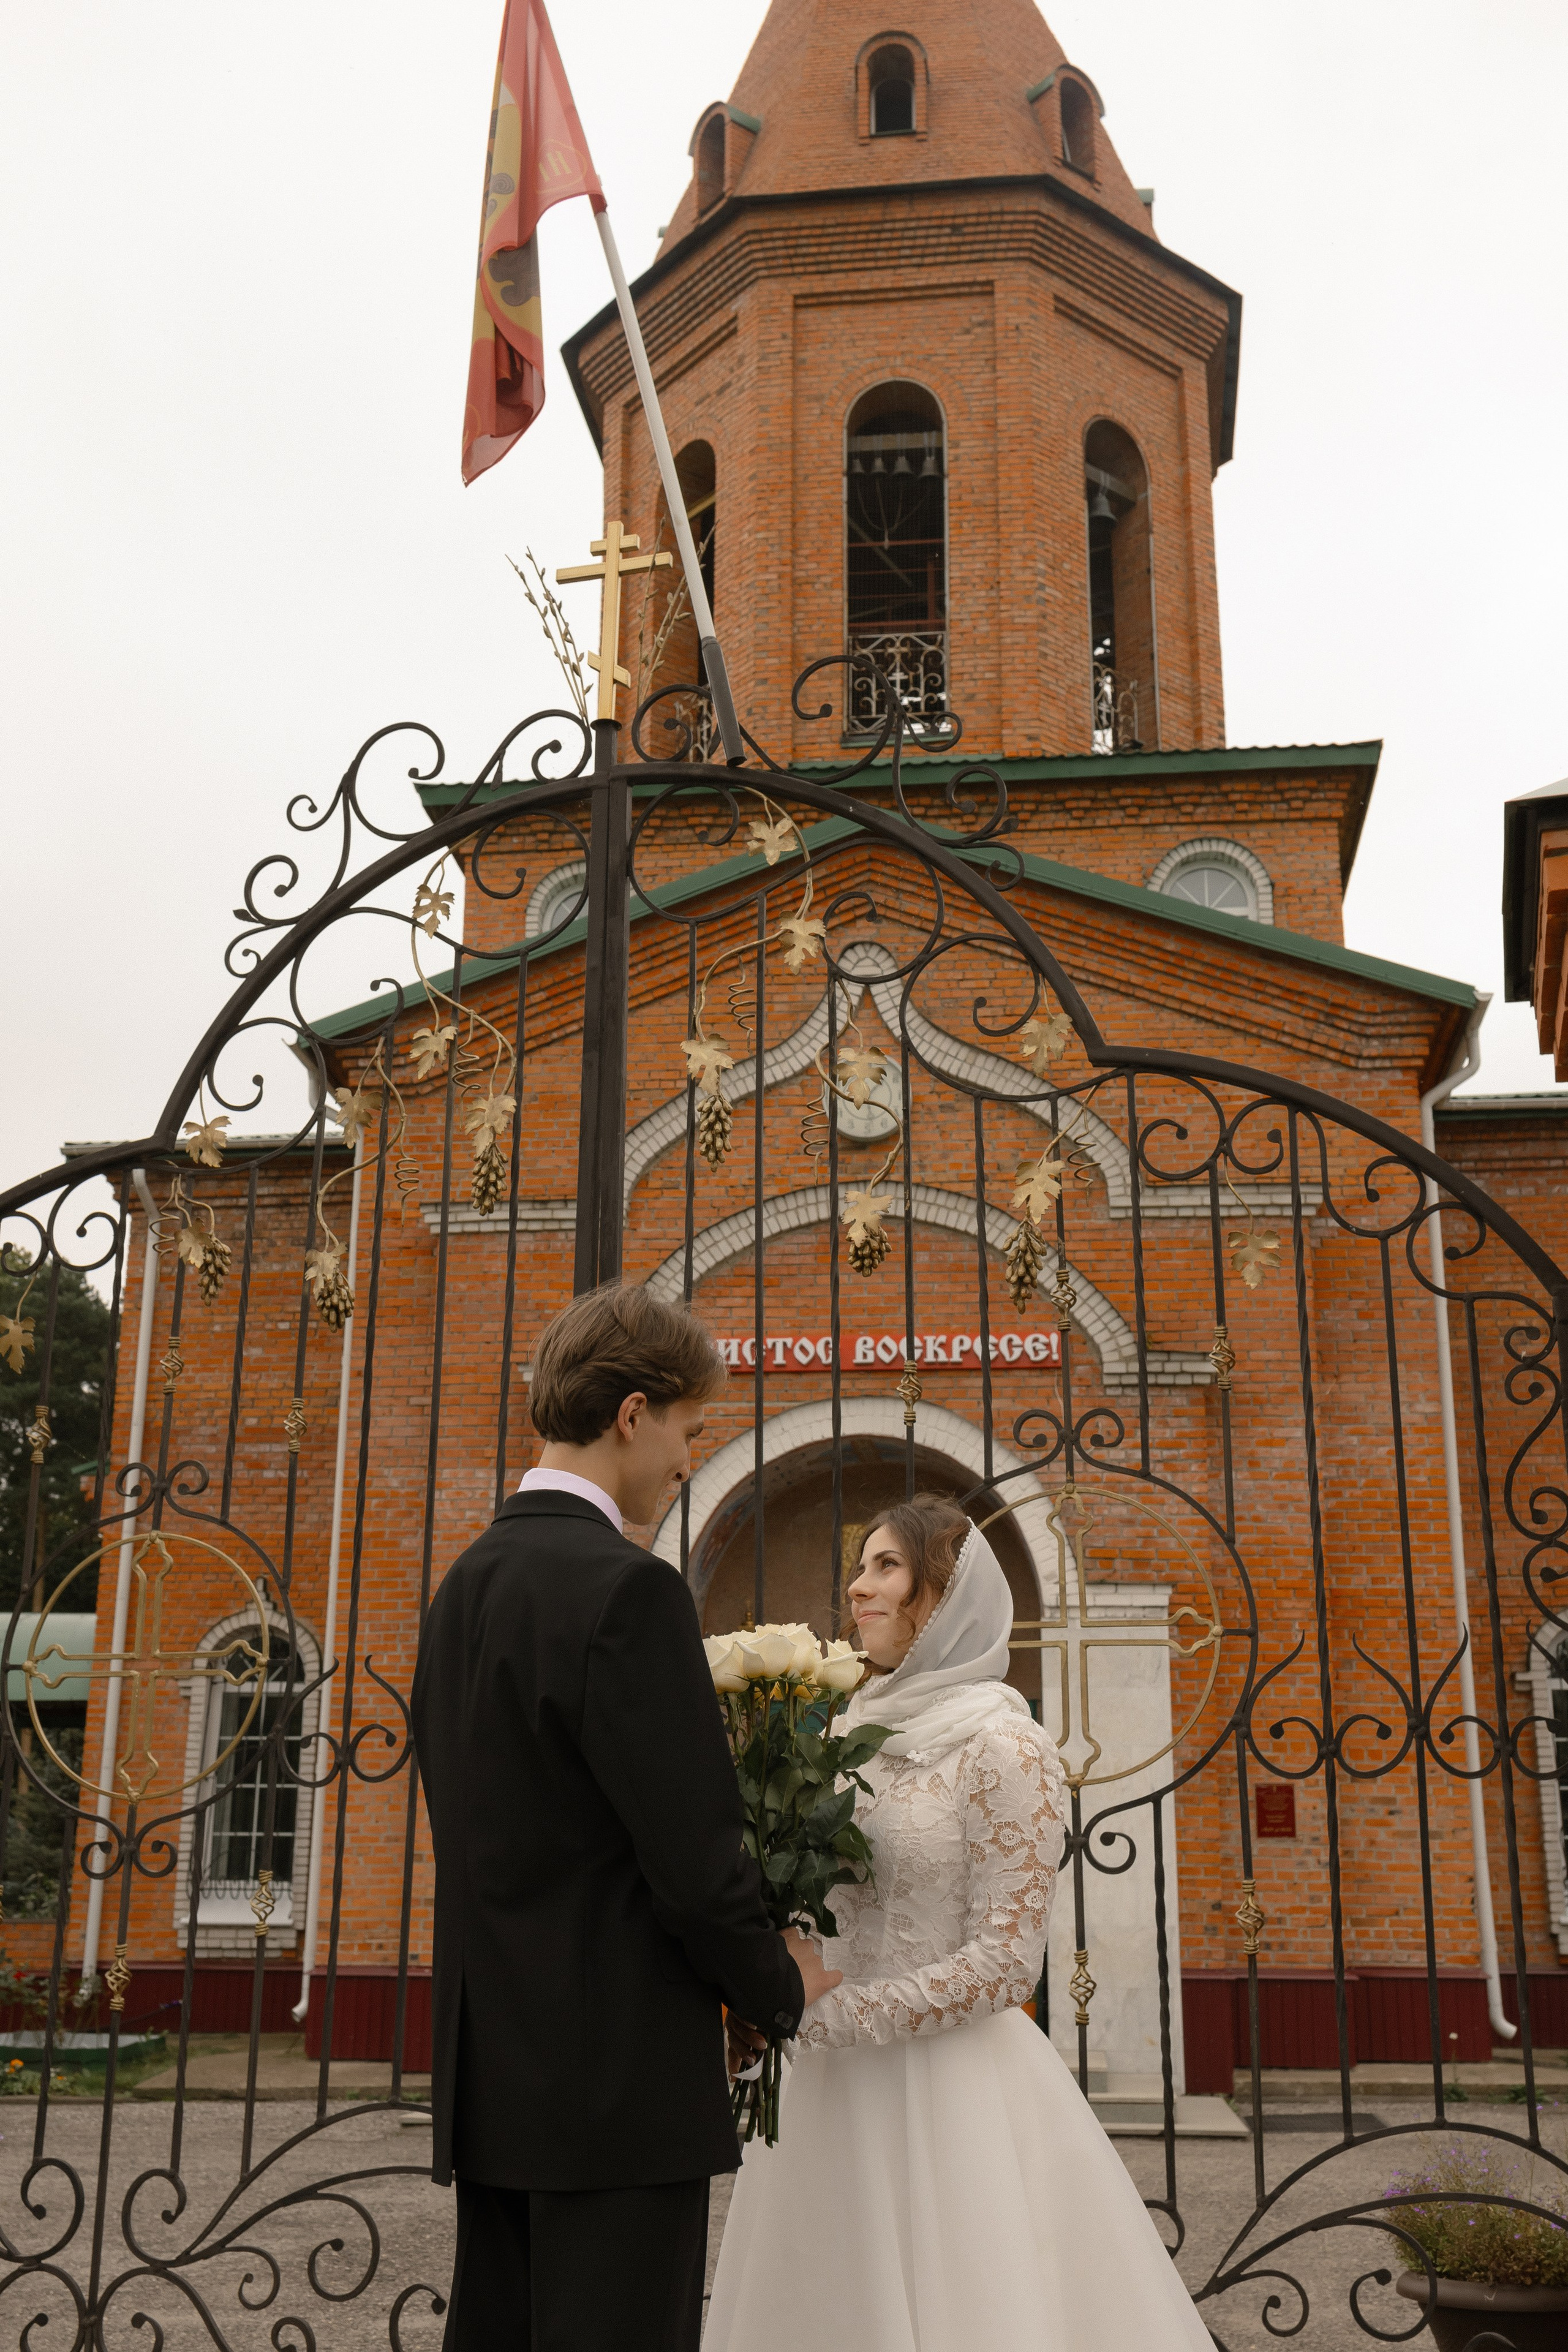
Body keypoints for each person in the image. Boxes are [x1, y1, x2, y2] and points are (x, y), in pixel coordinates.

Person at [411, 1282, 841, 2352]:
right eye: (690, 1430)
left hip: (496, 2078)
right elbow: (693, 1862)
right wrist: (776, 1983)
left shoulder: (464, 1586)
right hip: (615, 2091)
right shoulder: (626, 1592)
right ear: (632, 1414)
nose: (690, 1459)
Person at [707, 1493, 1216, 2352]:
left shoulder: (1005, 1746)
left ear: (944, 1596)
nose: (857, 1587)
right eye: (860, 1568)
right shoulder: (843, 1735)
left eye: (887, 1567)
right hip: (827, 2094)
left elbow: (1007, 1965)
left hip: (950, 2094)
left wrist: (826, 2017)